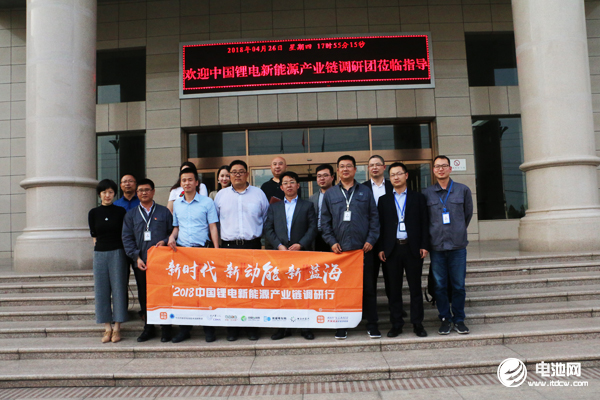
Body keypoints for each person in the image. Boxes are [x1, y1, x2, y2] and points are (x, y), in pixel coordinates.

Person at [321, 155, 380, 340]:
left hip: (363, 250)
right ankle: (342, 325)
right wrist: (332, 242)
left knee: (368, 288)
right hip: (341, 252)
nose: (345, 169)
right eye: (342, 166)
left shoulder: (365, 192)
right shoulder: (330, 194)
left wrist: (371, 240)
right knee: (342, 290)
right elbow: (325, 222)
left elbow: (374, 218)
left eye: (349, 166)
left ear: (355, 170)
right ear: (337, 171)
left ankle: (372, 324)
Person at [214, 159, 269, 341]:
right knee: (231, 289)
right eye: (234, 172)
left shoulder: (258, 194)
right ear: (229, 175)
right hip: (228, 247)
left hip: (252, 245)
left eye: (241, 171)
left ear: (247, 174)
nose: (237, 175)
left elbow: (266, 218)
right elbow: (215, 222)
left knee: (252, 288)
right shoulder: (221, 196)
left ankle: (252, 327)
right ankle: (233, 328)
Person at [167, 168, 220, 343]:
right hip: (183, 253)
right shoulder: (177, 204)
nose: (187, 183)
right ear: (180, 183)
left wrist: (217, 250)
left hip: (203, 252)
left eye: (190, 180)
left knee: (205, 292)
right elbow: (176, 227)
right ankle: (185, 329)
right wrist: (171, 237)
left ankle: (209, 329)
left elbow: (213, 227)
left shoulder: (207, 202)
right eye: (184, 180)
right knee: (185, 293)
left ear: (197, 183)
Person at [264, 171, 318, 341]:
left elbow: (313, 228)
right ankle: (282, 327)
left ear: (297, 185)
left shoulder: (307, 206)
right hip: (281, 255)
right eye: (285, 183)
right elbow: (268, 229)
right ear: (281, 187)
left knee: (302, 291)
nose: (289, 185)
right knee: (281, 291)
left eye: (292, 182)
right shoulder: (274, 207)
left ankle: (305, 327)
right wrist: (279, 246)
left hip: (301, 254)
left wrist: (301, 244)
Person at [377, 162, 429, 338]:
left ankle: (417, 323)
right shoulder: (383, 200)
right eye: (392, 175)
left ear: (406, 175)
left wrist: (424, 245)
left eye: (399, 173)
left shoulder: (418, 198)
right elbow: (380, 226)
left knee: (415, 288)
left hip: (413, 248)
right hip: (392, 250)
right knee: (393, 289)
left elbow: (424, 223)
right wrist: (381, 248)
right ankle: (396, 324)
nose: (396, 177)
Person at [423, 155, 473, 335]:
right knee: (440, 286)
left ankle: (459, 319)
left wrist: (457, 231)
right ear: (433, 170)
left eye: (444, 166)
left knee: (458, 285)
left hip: (457, 247)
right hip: (437, 247)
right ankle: (444, 318)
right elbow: (425, 220)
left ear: (450, 169)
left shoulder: (462, 190)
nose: (441, 169)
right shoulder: (427, 193)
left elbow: (467, 215)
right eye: (437, 166)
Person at [122, 178, 174, 343]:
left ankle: (166, 327)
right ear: (137, 193)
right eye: (140, 190)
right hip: (141, 262)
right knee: (144, 295)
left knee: (163, 293)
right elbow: (127, 238)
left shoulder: (164, 212)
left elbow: (172, 232)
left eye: (146, 190)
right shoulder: (131, 215)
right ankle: (149, 327)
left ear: (153, 192)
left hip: (162, 262)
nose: (143, 193)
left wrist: (165, 241)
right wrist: (136, 257)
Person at [362, 155, 406, 319]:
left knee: (392, 278)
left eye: (377, 164)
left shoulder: (392, 185)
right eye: (371, 165)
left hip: (390, 239)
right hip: (369, 240)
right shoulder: (362, 188)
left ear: (384, 167)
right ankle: (369, 310)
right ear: (368, 168)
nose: (374, 167)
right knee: (369, 278)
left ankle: (396, 308)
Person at [88, 179, 128, 343]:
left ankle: (117, 328)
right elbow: (94, 235)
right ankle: (107, 328)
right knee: (101, 290)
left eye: (110, 192)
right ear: (99, 194)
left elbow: (125, 233)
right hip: (100, 253)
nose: (107, 195)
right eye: (104, 192)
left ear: (114, 194)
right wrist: (98, 249)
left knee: (119, 289)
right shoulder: (93, 213)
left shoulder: (121, 211)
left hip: (118, 252)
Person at [309, 164, 335, 252]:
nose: (322, 178)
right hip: (317, 236)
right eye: (319, 176)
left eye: (325, 175)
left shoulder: (339, 195)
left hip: (334, 235)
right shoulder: (312, 198)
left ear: (332, 177)